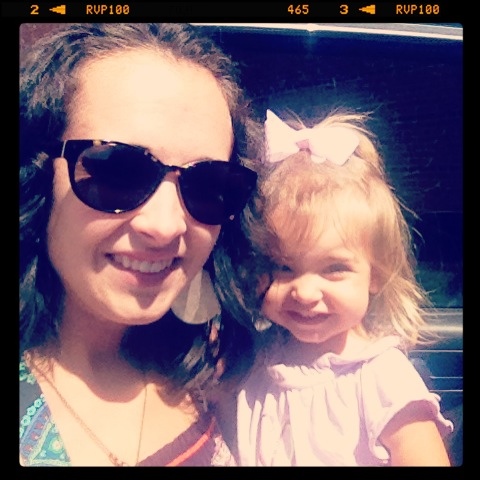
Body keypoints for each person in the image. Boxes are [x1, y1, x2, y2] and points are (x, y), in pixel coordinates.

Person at [19, 23, 261, 466]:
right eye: (118, 171)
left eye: (209, 185)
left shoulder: (217, 377)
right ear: (35, 176)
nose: (166, 226)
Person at [218, 108, 454, 466]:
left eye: (334, 269)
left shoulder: (380, 376)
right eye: (283, 266)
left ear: (376, 274)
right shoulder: (254, 359)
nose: (304, 292)